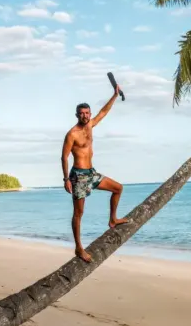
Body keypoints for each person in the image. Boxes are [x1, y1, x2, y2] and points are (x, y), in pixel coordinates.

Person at [61, 84, 130, 263]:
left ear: (89, 114)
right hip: (78, 176)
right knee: (79, 213)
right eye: (81, 113)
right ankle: (78, 247)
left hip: (91, 173)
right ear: (77, 115)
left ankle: (113, 219)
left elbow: (104, 112)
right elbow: (64, 157)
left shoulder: (91, 125)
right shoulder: (72, 134)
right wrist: (66, 179)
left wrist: (115, 95)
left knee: (118, 188)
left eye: (87, 113)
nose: (85, 116)